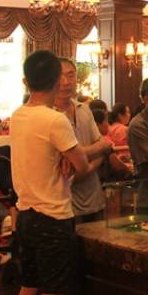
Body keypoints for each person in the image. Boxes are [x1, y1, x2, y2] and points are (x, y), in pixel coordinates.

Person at [10, 50, 89, 295]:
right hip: (53, 217)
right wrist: (68, 160)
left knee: (29, 287)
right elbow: (82, 165)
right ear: (57, 80)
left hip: (25, 214)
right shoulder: (55, 119)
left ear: (26, 81)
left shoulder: (18, 115)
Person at [55, 58, 113, 222]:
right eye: (60, 76)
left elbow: (104, 145)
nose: (66, 82)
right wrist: (95, 153)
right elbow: (61, 160)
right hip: (65, 205)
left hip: (95, 199)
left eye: (70, 75)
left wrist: (83, 167)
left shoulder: (84, 109)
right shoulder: (48, 115)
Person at [92, 109, 133, 180]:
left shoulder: (87, 141)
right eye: (106, 121)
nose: (108, 125)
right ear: (97, 124)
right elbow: (119, 167)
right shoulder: (103, 144)